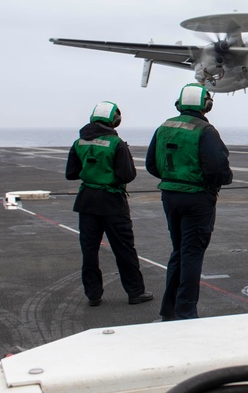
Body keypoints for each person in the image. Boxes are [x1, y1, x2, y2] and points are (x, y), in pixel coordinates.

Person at [146, 83, 233, 320]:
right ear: (207, 105)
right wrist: (218, 181)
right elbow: (218, 169)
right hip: (197, 199)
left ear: (179, 104)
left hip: (170, 196)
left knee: (179, 251)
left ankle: (170, 309)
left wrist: (174, 179)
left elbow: (152, 164)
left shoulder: (164, 127)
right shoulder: (206, 130)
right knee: (192, 253)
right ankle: (186, 311)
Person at [65, 101, 153, 307]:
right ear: (115, 120)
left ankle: (93, 294)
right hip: (112, 202)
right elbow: (128, 175)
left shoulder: (79, 143)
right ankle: (135, 292)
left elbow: (71, 174)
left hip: (86, 201)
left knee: (89, 250)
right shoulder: (116, 144)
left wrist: (92, 173)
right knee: (124, 249)